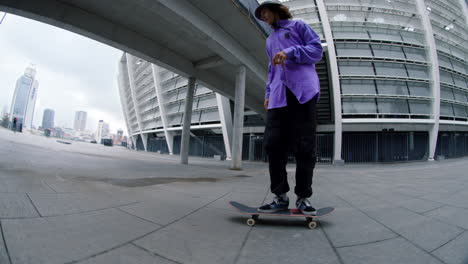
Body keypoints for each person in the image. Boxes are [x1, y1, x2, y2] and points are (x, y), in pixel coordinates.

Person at [254, 1, 323, 215]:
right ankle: (280, 197)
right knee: (273, 146)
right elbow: (271, 70)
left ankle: (303, 198)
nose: (263, 17)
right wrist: (267, 93)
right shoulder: (269, 40)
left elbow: (316, 50)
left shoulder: (298, 26)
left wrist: (291, 52)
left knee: (304, 147)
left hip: (302, 93)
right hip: (278, 96)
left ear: (275, 10)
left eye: (264, 12)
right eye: (260, 15)